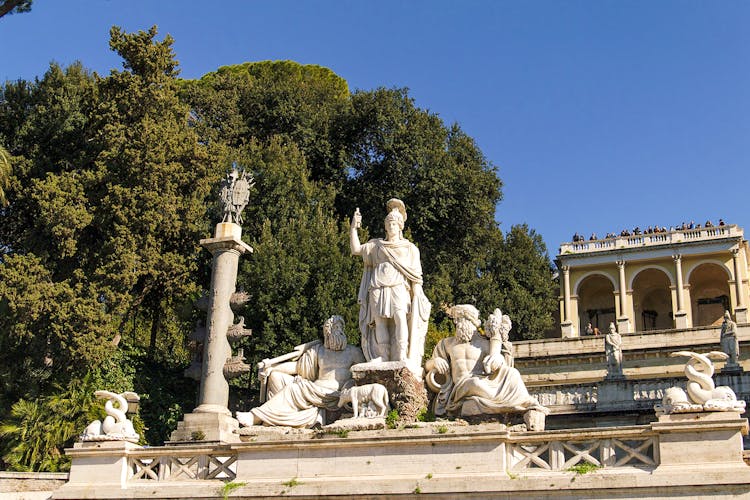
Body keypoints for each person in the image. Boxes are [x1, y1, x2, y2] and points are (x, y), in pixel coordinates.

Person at [236, 316, 365, 428]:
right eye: (335, 327)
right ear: (327, 332)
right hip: (314, 388)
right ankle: (279, 417)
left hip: (335, 394)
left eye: (341, 327)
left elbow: (363, 375)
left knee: (294, 389)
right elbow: (296, 367)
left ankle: (255, 416)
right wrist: (271, 368)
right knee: (275, 377)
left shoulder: (353, 352)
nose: (339, 331)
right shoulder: (318, 350)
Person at [425, 304, 547, 417]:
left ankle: (522, 401)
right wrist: (434, 362)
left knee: (513, 373)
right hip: (461, 387)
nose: (458, 323)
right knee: (474, 383)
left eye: (463, 319)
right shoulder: (447, 343)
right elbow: (427, 366)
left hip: (484, 381)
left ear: (474, 322)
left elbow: (498, 365)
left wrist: (498, 359)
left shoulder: (485, 343)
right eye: (457, 320)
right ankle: (505, 402)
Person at [350, 199, 431, 366]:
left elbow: (416, 275)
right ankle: (384, 356)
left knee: (400, 318)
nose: (391, 226)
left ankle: (402, 353)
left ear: (400, 226)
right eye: (388, 223)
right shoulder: (376, 245)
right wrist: (353, 228)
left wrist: (417, 293)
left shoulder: (410, 248)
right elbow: (356, 250)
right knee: (380, 321)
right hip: (377, 285)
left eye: (394, 223)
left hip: (399, 286)